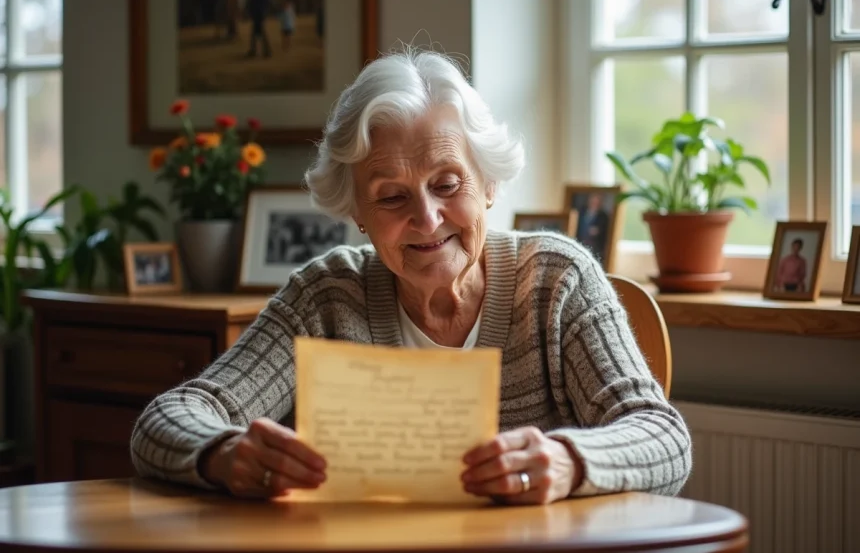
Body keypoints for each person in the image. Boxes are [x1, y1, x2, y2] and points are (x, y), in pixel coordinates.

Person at [130, 48, 692, 505]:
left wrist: (569, 462)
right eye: (391, 196)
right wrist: (224, 454)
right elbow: (162, 421)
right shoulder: (326, 298)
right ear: (358, 213)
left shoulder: (555, 282)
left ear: (489, 184)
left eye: (448, 184)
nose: (426, 219)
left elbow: (664, 438)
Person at [575, 193, 610, 265]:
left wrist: (598, 231)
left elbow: (606, 233)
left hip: (594, 246)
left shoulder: (603, 216)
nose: (594, 203)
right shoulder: (581, 211)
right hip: (579, 242)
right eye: (592, 201)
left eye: (596, 201)